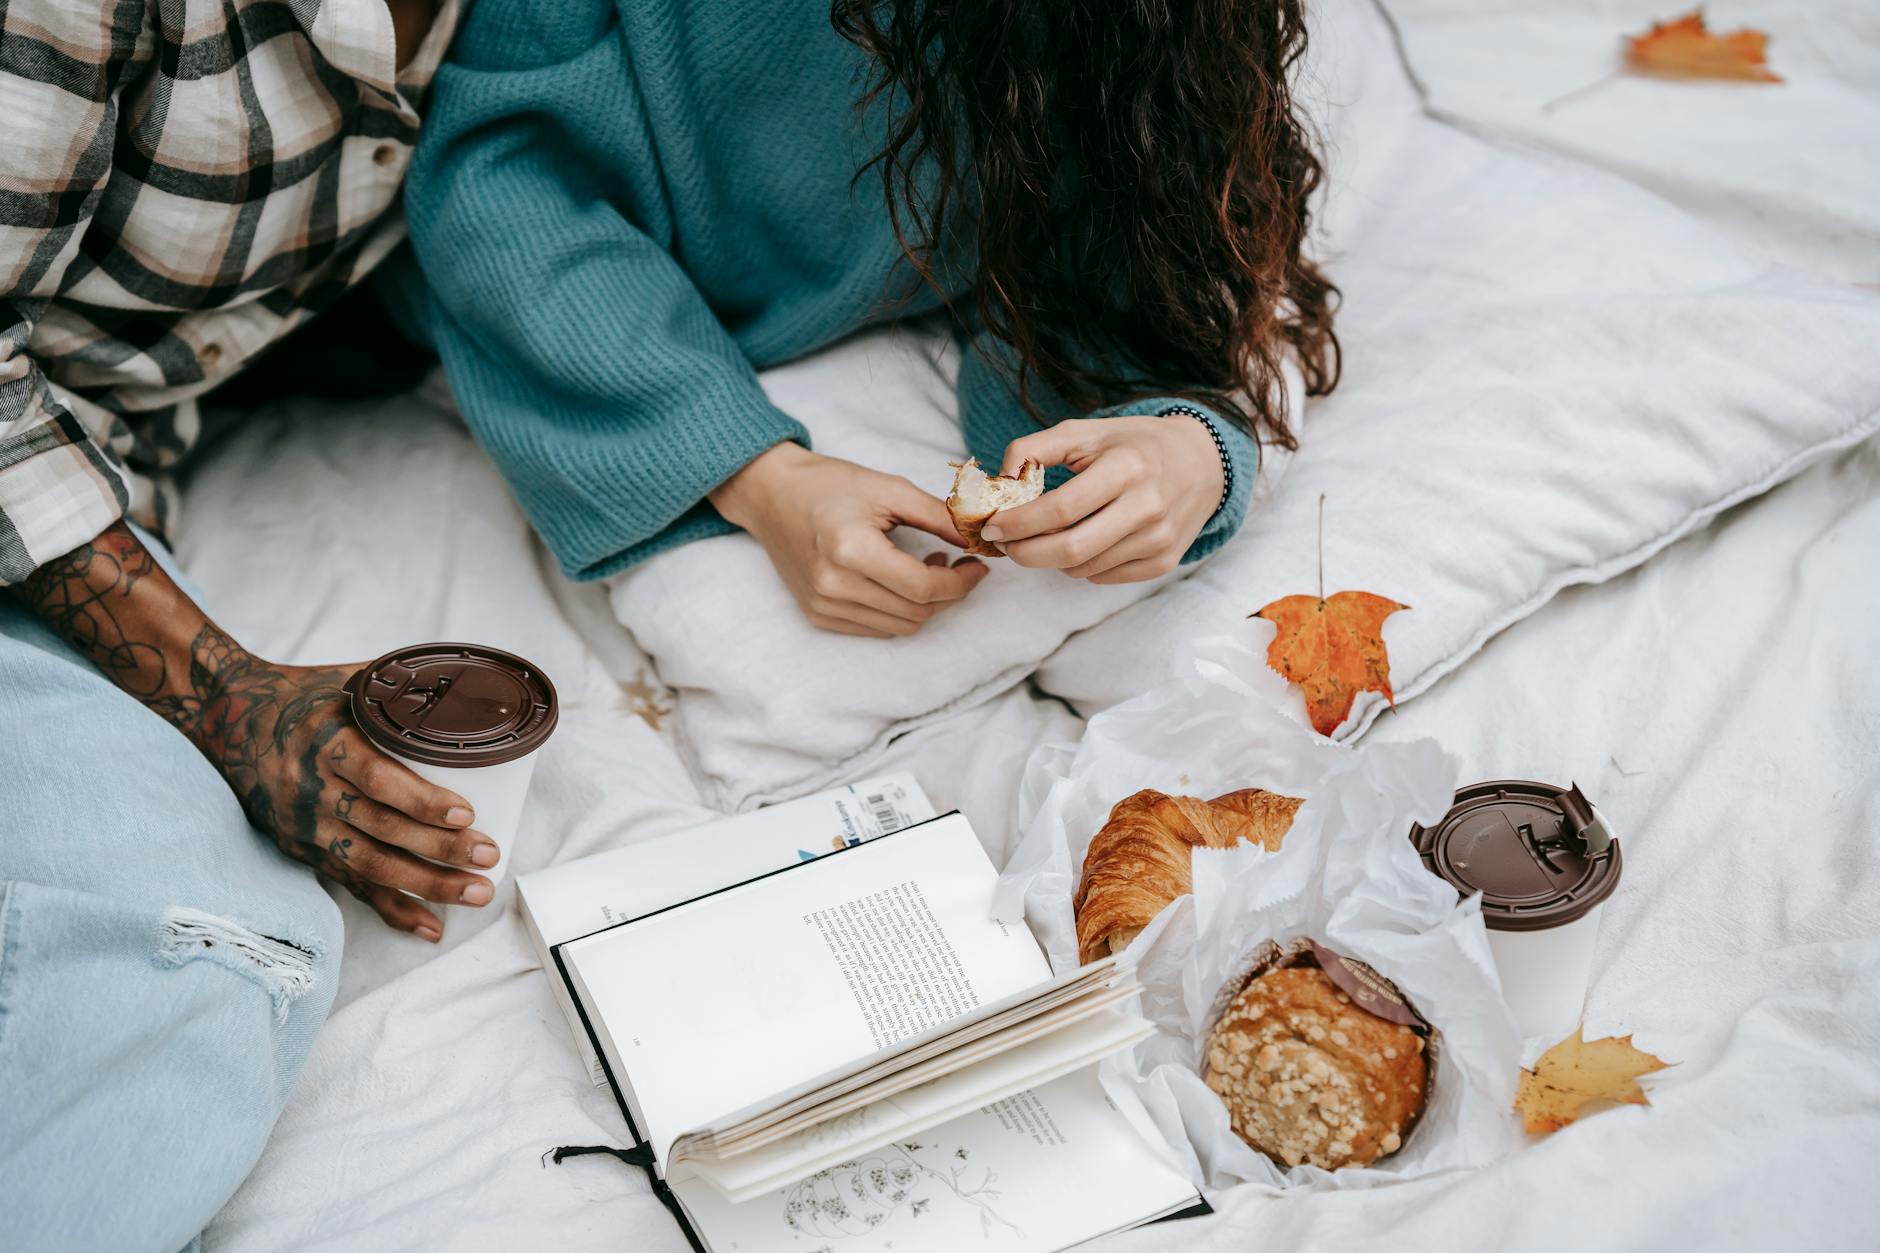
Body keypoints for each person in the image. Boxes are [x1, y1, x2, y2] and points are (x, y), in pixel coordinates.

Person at [0, 2, 498, 1246]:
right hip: (48, 502)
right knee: (202, 954)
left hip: (88, 503)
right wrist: (225, 691)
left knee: (225, 965)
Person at [399, 0, 1340, 638]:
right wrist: (758, 476)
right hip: (554, 328)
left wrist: (1186, 451)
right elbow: (504, 192)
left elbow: (1122, 232)